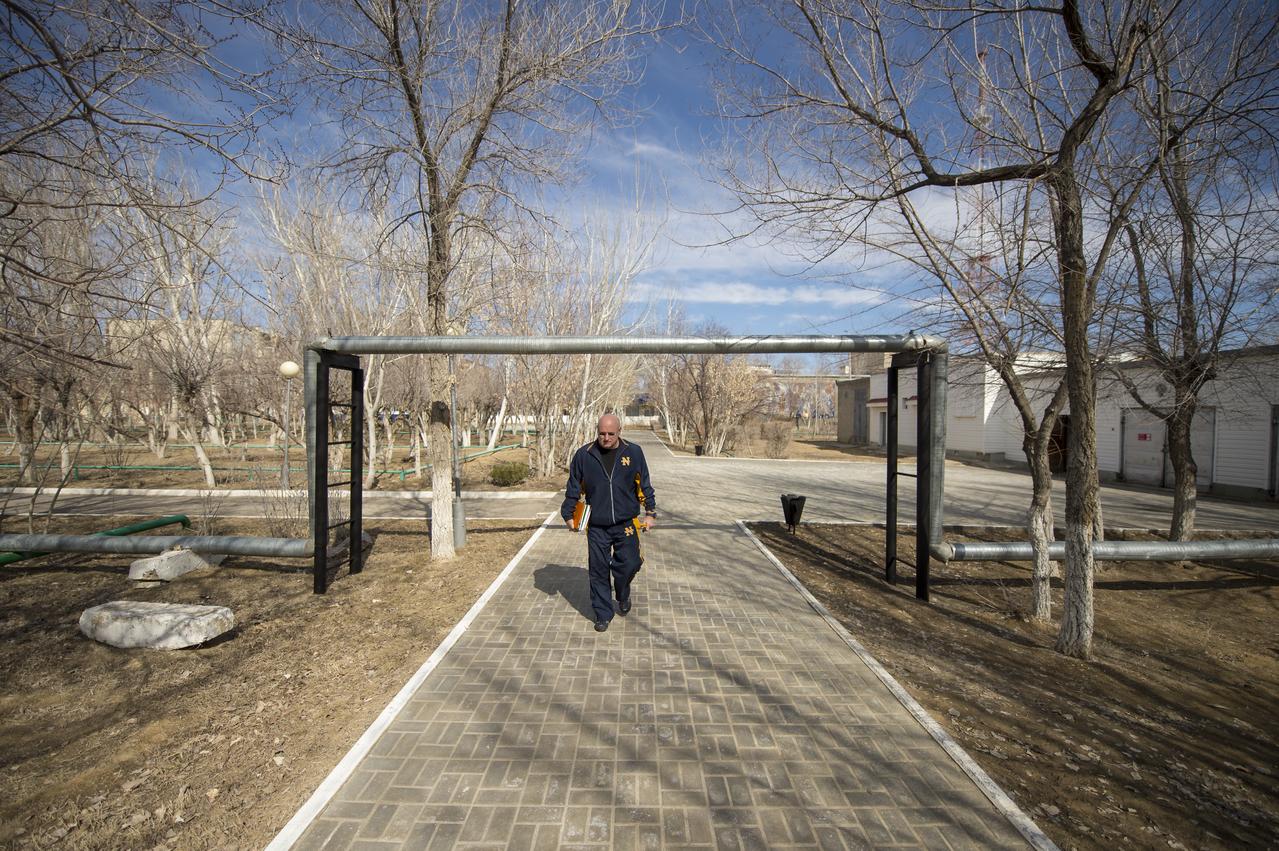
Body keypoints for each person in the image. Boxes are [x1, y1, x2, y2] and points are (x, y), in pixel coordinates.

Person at [561, 413, 657, 632]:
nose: (605, 438)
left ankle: (622, 591)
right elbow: (573, 488)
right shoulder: (584, 455)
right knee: (598, 570)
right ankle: (603, 613)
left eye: (610, 434)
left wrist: (650, 512)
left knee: (631, 563)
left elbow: (645, 484)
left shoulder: (633, 452)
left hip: (626, 523)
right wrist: (568, 514)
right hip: (597, 526)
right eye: (601, 433)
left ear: (619, 431)